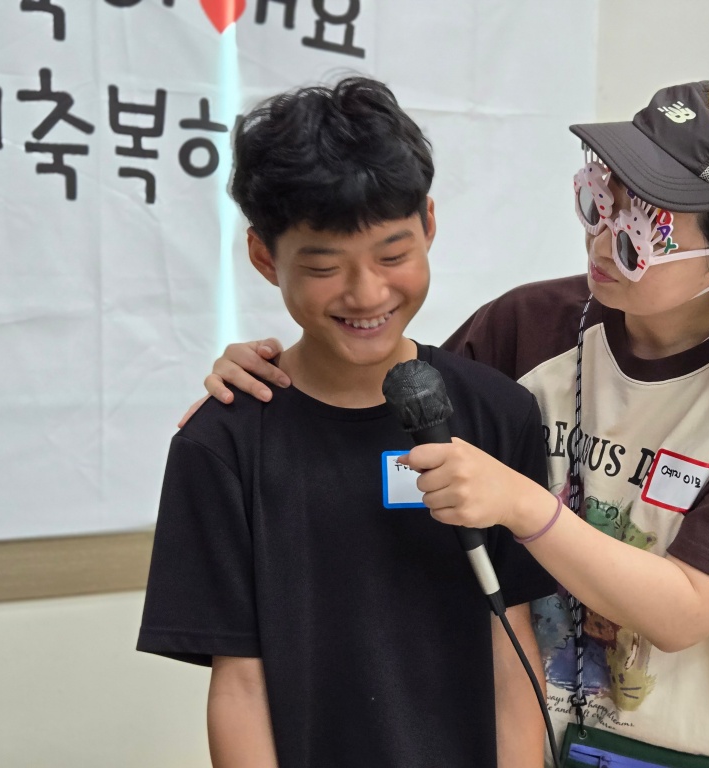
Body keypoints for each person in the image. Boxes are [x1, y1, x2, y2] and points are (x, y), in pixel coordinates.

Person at [187, 15, 709, 768]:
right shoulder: (526, 326)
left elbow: (685, 611)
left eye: (642, 232)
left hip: (686, 745)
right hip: (524, 734)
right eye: (601, 202)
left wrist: (525, 506)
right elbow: (377, 410)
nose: (602, 241)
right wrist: (261, 386)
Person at [137, 76, 558, 768]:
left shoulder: (497, 413)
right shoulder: (223, 443)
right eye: (325, 266)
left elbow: (510, 641)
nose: (367, 293)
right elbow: (239, 685)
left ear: (428, 223)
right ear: (265, 257)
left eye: (393, 255)